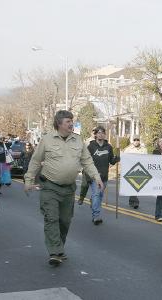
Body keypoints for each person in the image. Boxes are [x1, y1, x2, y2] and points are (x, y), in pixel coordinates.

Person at [24, 110, 103, 266]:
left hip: (68, 189)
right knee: (51, 218)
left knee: (65, 221)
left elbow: (87, 161)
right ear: (59, 123)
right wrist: (28, 180)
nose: (71, 124)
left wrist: (96, 177)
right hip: (49, 186)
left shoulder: (78, 140)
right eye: (68, 121)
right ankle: (55, 251)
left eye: (72, 121)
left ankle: (59, 247)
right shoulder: (47, 140)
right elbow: (35, 161)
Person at [86, 126, 119, 225]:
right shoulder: (91, 147)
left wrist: (117, 157)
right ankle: (96, 216)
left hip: (104, 176)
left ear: (105, 134)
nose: (101, 134)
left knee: (99, 195)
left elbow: (111, 161)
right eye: (99, 132)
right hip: (94, 176)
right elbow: (86, 160)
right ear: (95, 134)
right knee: (96, 194)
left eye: (103, 133)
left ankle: (94, 202)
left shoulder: (108, 147)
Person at [123, 134, 147, 209]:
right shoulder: (128, 149)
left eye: (137, 140)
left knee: (136, 187)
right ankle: (135, 202)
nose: (136, 141)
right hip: (130, 170)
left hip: (140, 170)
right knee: (133, 186)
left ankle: (132, 201)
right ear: (132, 141)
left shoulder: (144, 149)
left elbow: (146, 159)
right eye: (135, 140)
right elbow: (124, 159)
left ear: (139, 140)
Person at [153, 137, 162, 222]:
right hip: (158, 177)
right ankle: (158, 215)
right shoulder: (156, 152)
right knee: (160, 196)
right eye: (160, 141)